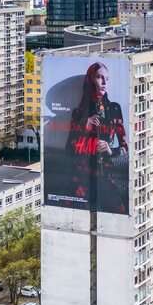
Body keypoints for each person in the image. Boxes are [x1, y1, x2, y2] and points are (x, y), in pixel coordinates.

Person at [64, 61, 129, 214]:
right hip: (82, 176)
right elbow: (69, 149)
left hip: (106, 174)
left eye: (107, 78)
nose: (104, 82)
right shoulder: (78, 113)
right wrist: (84, 126)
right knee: (79, 216)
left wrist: (111, 150)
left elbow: (125, 147)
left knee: (119, 211)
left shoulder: (114, 108)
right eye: (99, 77)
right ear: (91, 80)